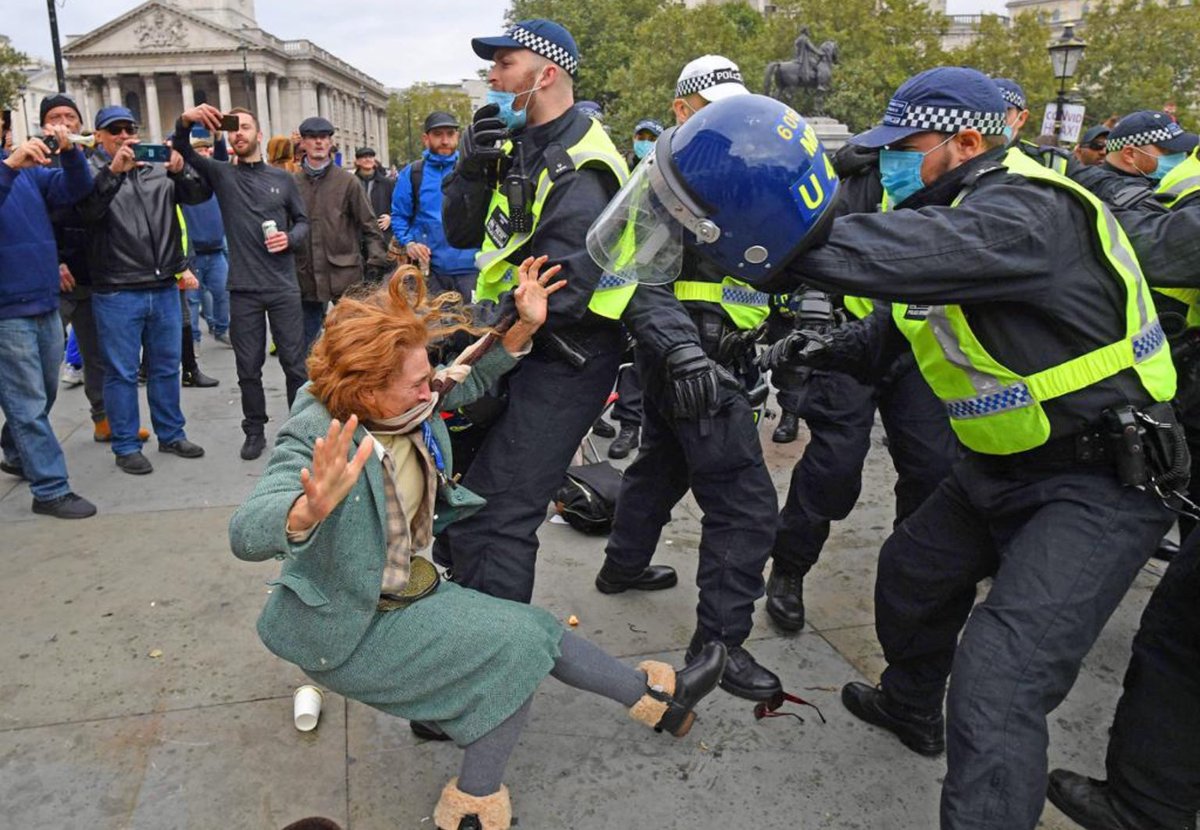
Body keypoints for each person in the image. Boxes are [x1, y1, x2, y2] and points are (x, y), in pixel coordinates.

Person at [601, 75, 1181, 830]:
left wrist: (758, 227)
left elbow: (900, 257)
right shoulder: (955, 211)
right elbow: (900, 328)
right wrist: (819, 347)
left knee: (1000, 683)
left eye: (902, 151)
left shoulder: (1027, 209)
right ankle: (911, 706)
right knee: (911, 576)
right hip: (1001, 467)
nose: (890, 168)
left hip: (1100, 479)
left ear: (968, 143)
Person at [229, 259, 727, 830]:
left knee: (534, 637)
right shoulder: (320, 432)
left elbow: (465, 379)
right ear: (365, 390)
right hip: (353, 623)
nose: (431, 386)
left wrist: (524, 327)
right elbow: (246, 531)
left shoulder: (406, 403)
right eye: (417, 382)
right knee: (514, 656)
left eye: (427, 375)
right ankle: (472, 805)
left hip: (412, 591)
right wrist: (306, 509)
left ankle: (662, 705)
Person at [588, 58, 794, 702]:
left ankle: (620, 566)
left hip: (706, 355)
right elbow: (628, 278)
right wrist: (685, 356)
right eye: (710, 107)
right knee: (745, 508)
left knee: (659, 466)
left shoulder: (735, 174)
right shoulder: (665, 179)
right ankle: (721, 647)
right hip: (691, 361)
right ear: (681, 111)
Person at [436, 20, 632, 603]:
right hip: (512, 345)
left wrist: (466, 331)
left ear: (545, 74)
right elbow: (461, 231)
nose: (491, 77)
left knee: (498, 516)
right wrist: (470, 168)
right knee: (463, 495)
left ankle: (499, 666)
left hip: (564, 358)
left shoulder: (583, 165)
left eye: (504, 65)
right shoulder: (517, 146)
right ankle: (467, 615)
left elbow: (557, 295)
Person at [760, 137, 960, 632]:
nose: (900, 163)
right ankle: (788, 571)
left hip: (920, 348)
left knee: (932, 468)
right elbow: (816, 245)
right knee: (832, 467)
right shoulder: (859, 180)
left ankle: (911, 583)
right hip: (851, 345)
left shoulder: (969, 192)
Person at [173, 104, 311, 462]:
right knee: (247, 366)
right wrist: (188, 121)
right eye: (234, 128)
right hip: (243, 288)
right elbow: (183, 149)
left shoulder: (283, 179)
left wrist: (289, 238)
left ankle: (298, 430)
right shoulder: (222, 174)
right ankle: (254, 429)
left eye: (246, 127)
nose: (239, 133)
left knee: (295, 364)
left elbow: (303, 222)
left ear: (258, 135)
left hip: (282, 286)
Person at [78, 105, 210, 475]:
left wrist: (181, 169)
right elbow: (85, 214)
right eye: (114, 130)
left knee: (167, 366)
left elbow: (199, 196)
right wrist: (113, 174)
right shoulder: (90, 171)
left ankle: (171, 433)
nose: (123, 137)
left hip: (164, 284)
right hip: (117, 288)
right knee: (120, 372)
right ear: (99, 136)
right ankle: (125, 445)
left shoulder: (156, 168)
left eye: (129, 129)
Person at [0, 123, 97, 517]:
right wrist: (9, 167)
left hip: (43, 299)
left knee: (43, 393)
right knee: (27, 404)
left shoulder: (27, 170)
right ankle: (50, 488)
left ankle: (19, 452)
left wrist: (71, 151)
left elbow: (76, 188)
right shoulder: (12, 166)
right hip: (8, 309)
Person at [292, 116, 389, 352]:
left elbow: (369, 225)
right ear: (303, 143)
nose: (318, 143)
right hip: (306, 275)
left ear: (330, 142)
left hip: (344, 272)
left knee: (354, 342)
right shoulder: (293, 183)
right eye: (312, 138)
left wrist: (375, 262)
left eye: (323, 138)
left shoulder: (347, 182)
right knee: (309, 347)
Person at [390, 111, 478, 299]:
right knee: (434, 327)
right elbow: (399, 216)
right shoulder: (413, 173)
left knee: (475, 326)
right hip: (431, 271)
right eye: (438, 135)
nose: (445, 141)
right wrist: (410, 243)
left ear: (458, 136)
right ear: (426, 138)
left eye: (450, 134)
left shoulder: (475, 170)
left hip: (472, 269)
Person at [182, 126, 232, 347]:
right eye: (199, 152)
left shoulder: (214, 179)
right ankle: (194, 339)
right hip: (193, 254)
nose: (204, 155)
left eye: (207, 150)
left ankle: (221, 328)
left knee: (223, 293)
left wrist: (219, 137)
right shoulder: (183, 182)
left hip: (216, 250)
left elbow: (222, 161)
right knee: (192, 300)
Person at [353, 146, 395, 254]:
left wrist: (391, 217)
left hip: (381, 235)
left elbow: (398, 206)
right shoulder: (350, 183)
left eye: (371, 156)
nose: (368, 159)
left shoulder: (387, 183)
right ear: (357, 161)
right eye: (364, 157)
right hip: (357, 235)